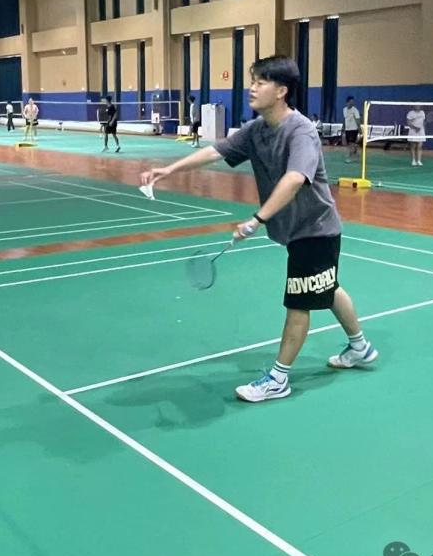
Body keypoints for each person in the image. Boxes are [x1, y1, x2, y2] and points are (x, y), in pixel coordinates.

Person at [140, 55, 378, 404]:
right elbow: (215, 151)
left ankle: (278, 379)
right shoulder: (257, 129)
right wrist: (169, 170)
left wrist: (257, 219)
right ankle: (360, 347)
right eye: (253, 80)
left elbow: (294, 179)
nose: (252, 88)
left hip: (315, 229)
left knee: (298, 303)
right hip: (298, 229)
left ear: (281, 91)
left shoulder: (301, 131)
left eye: (261, 82)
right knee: (327, 285)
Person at [342, 96, 362, 163]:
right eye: (350, 102)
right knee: (351, 144)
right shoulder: (344, 109)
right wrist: (343, 127)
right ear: (347, 102)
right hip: (347, 129)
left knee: (351, 144)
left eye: (353, 102)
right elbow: (344, 119)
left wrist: (360, 129)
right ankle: (357, 155)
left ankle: (350, 158)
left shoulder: (355, 110)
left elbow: (358, 120)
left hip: (354, 129)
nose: (352, 103)